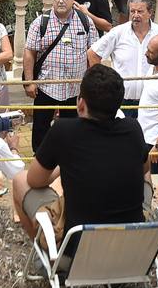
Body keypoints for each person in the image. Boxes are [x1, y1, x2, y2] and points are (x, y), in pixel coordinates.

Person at [10, 65, 149, 246]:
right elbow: (144, 168)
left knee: (20, 180)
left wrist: (62, 164)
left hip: (77, 249)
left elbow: (35, 180)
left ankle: (46, 255)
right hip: (130, 244)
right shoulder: (133, 128)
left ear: (81, 103)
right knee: (145, 170)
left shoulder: (63, 131)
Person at [23, 0, 99, 151]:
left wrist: (92, 85)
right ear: (52, 0)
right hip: (46, 85)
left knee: (73, 128)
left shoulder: (85, 21)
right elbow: (29, 53)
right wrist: (30, 82)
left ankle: (69, 160)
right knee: (41, 128)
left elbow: (93, 53)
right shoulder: (40, 23)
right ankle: (40, 160)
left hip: (75, 88)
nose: (61, 1)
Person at [87, 0, 158, 109]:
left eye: (140, 11)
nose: (135, 15)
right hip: (121, 101)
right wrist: (101, 86)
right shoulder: (118, 32)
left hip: (152, 102)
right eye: (132, 11)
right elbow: (93, 53)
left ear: (150, 13)